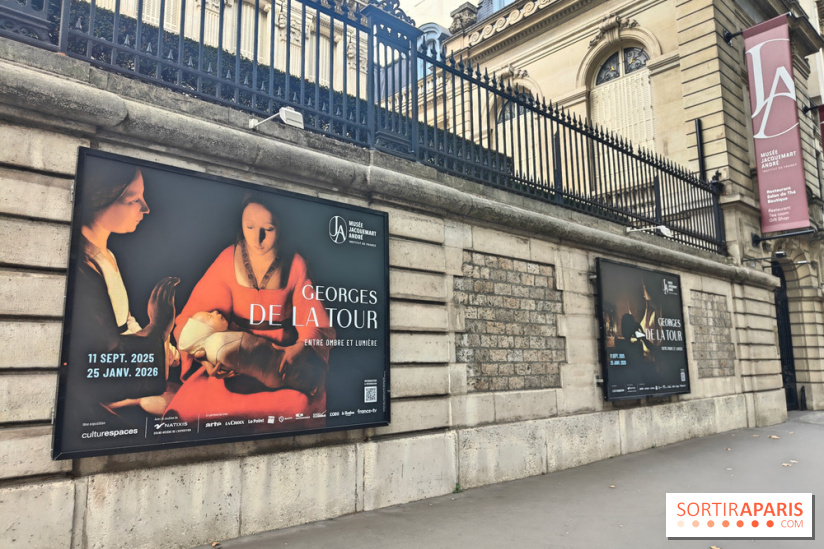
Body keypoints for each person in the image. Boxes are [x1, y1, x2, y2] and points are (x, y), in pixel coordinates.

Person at [166, 194, 334, 422]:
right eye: (250, 227)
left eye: (269, 229)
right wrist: (207, 359)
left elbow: (316, 322)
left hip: (282, 364)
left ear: (281, 227)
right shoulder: (227, 259)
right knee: (190, 412)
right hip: (231, 366)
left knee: (295, 409)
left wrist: (302, 348)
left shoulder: (295, 264)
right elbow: (190, 321)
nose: (258, 238)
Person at [64, 164, 179, 431]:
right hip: (95, 397)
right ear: (101, 198)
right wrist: (159, 328)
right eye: (134, 200)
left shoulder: (105, 255)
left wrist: (166, 349)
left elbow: (124, 321)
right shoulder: (83, 265)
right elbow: (104, 352)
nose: (146, 208)